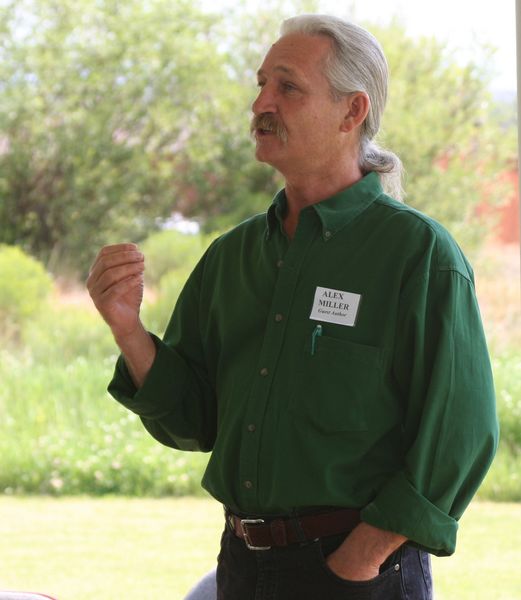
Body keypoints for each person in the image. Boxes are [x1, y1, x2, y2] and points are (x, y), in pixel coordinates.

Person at [87, 14, 499, 600]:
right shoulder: (230, 258)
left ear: (351, 112)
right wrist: (128, 330)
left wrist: (361, 559)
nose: (261, 102)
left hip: (356, 572)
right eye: (260, 84)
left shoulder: (418, 254)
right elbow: (194, 419)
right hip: (241, 566)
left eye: (287, 86)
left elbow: (461, 431)